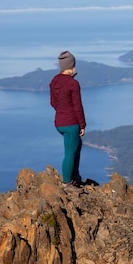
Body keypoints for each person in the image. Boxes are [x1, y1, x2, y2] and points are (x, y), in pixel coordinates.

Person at [49, 51, 86, 187]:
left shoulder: (54, 81)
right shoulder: (73, 84)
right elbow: (78, 107)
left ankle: (74, 175)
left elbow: (53, 102)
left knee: (77, 145)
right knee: (70, 153)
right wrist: (82, 125)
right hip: (71, 123)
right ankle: (67, 182)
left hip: (59, 123)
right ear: (72, 66)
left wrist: (62, 112)